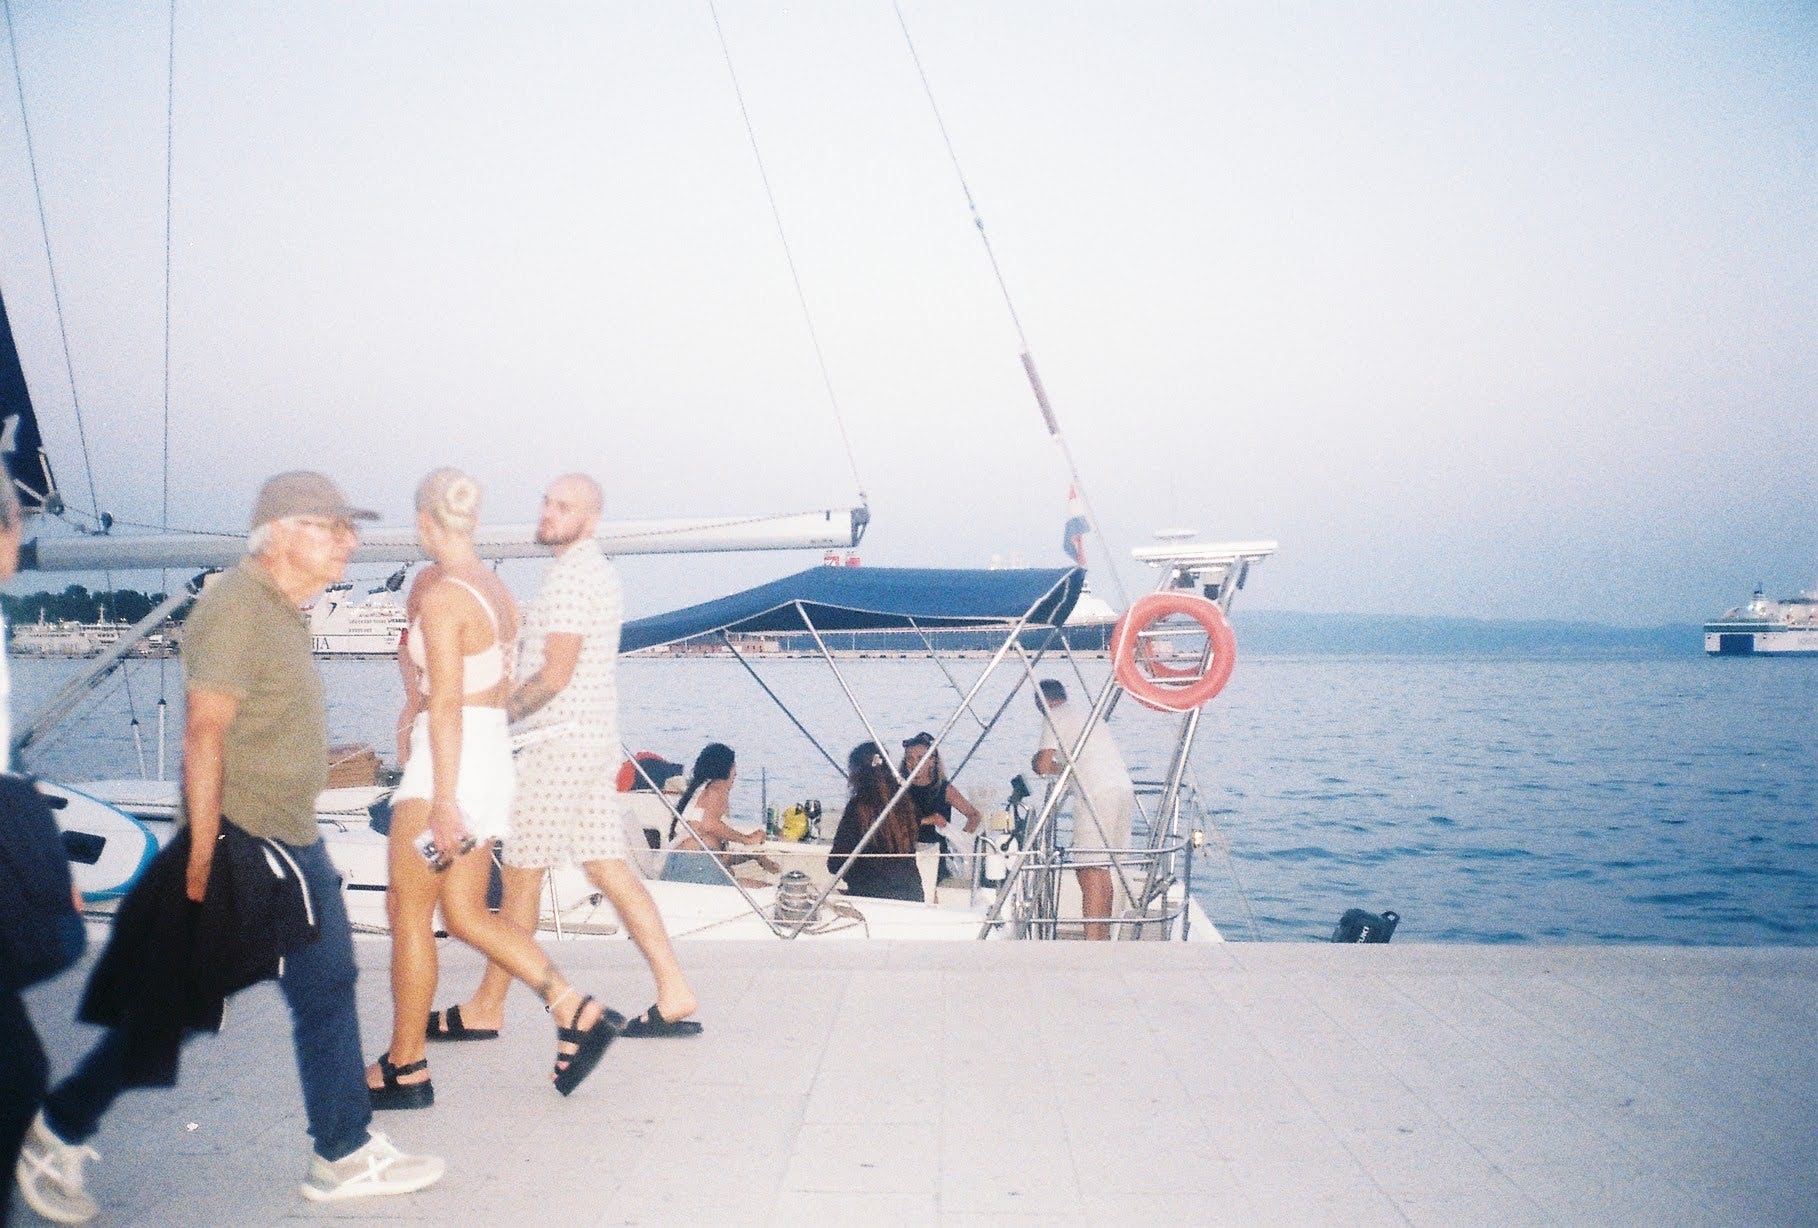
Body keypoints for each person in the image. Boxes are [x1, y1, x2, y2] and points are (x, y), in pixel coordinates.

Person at [16, 472, 444, 1221]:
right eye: (331, 526)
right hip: (254, 841)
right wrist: (203, 862)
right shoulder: (237, 610)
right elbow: (203, 733)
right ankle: (339, 1153)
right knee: (308, 988)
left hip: (283, 836)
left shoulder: (279, 612)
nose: (349, 540)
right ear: (281, 534)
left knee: (224, 1000)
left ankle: (63, 1125)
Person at [368, 468, 620, 1108]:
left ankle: (405, 1066)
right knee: (467, 914)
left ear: (424, 521)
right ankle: (574, 1008)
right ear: (474, 521)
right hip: (489, 761)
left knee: (408, 914)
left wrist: (442, 802)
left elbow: (446, 705)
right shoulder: (497, 592)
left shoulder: (444, 598)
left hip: (445, 769)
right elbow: (494, 688)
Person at [432, 473, 701, 1044]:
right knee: (607, 867)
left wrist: (492, 719)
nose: (549, 512)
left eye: (564, 506)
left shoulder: (573, 579)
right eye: (547, 501)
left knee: (522, 876)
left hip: (558, 745)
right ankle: (674, 991)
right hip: (591, 740)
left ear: (592, 519)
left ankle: (486, 1007)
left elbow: (554, 675)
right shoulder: (591, 572)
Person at [1032, 678, 1135, 941]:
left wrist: (1040, 763)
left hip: (1097, 794)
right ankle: (1101, 938)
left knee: (1088, 868)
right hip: (1122, 789)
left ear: (1042, 702)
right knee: (1103, 867)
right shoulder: (1086, 714)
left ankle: (1091, 942)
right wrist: (1066, 770)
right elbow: (1077, 764)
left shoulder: (1054, 715)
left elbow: (1042, 766)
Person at [827, 742, 923, 903]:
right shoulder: (906, 803)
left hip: (871, 898)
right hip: (912, 896)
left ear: (856, 773)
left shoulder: (858, 808)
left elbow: (836, 863)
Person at [660, 743, 762, 885]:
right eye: (734, 766)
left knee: (759, 886)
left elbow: (717, 850)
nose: (736, 773)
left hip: (680, 865)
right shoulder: (717, 789)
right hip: (696, 864)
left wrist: (756, 857)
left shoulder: (701, 790)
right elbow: (709, 824)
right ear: (727, 769)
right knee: (768, 890)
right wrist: (747, 839)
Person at [898, 731, 982, 881]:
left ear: (932, 762)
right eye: (909, 759)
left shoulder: (943, 789)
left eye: (920, 758)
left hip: (936, 856)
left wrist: (957, 841)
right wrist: (928, 820)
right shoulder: (899, 790)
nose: (914, 764)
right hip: (905, 854)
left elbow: (974, 816)